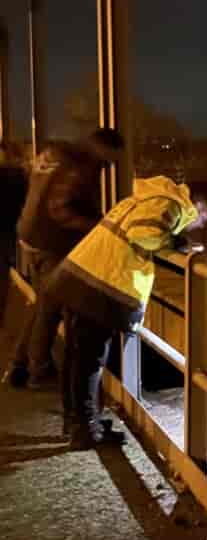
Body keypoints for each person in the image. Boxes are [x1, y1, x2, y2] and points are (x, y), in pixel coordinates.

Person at [43, 175, 207, 447]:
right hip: (98, 286)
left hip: (81, 276)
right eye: (203, 218)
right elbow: (143, 234)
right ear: (198, 208)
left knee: (77, 357)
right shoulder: (171, 205)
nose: (200, 224)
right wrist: (175, 244)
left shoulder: (144, 198)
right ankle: (85, 429)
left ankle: (78, 421)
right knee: (89, 361)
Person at [3, 129, 125, 389]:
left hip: (30, 234)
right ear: (102, 148)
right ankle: (39, 371)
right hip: (52, 242)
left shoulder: (56, 154)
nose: (111, 165)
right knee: (51, 308)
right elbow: (61, 208)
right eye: (112, 158)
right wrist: (101, 227)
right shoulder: (79, 166)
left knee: (42, 302)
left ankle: (18, 366)